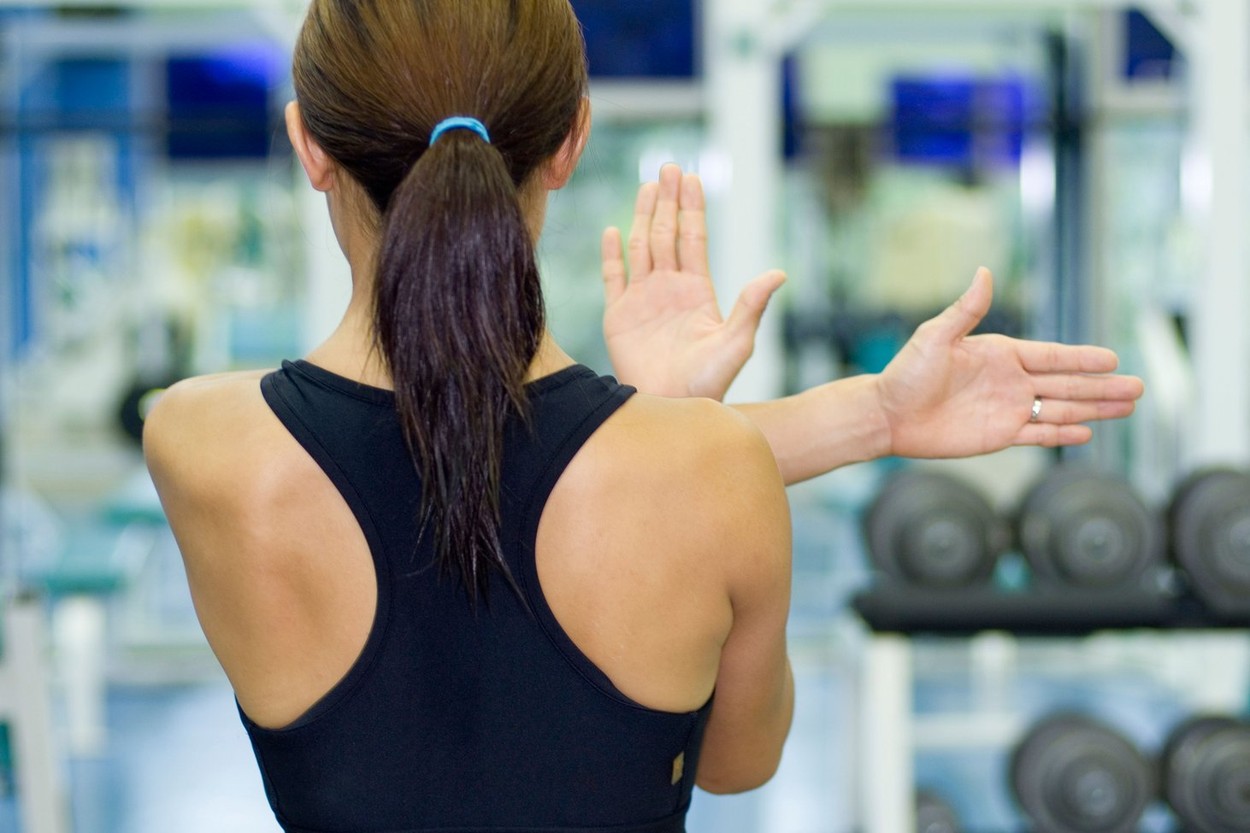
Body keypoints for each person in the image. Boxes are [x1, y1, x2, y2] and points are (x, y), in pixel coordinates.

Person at [143, 2, 1143, 831]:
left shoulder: (199, 442)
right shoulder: (706, 473)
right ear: (570, 142)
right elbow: (738, 764)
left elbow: (437, 458)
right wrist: (689, 425)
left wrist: (864, 413)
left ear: (306, 144)